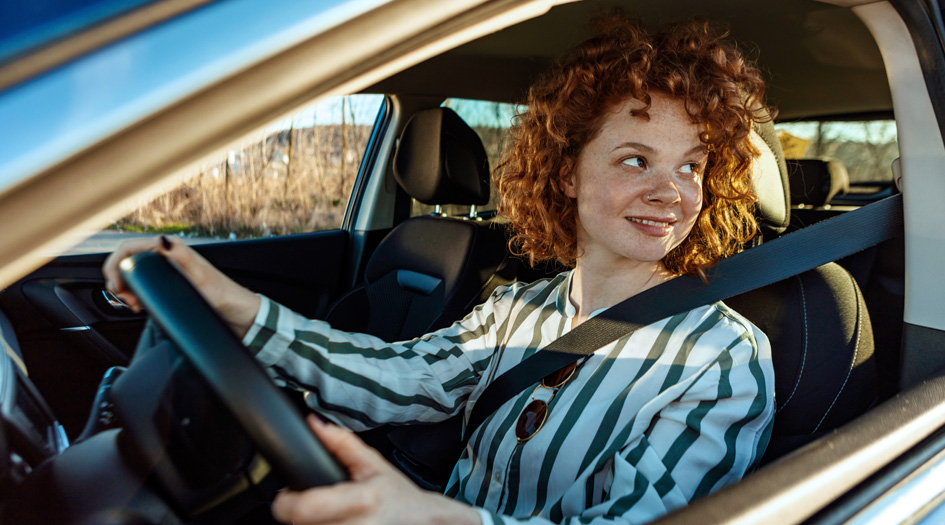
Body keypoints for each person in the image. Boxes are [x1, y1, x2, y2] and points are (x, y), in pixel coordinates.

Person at [103, 16, 775, 525]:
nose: (673, 192)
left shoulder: (721, 359)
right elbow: (396, 378)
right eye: (636, 159)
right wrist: (235, 306)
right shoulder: (517, 309)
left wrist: (435, 517)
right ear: (567, 173)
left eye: (691, 165)